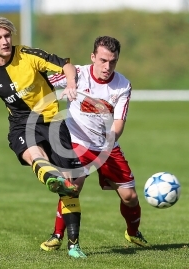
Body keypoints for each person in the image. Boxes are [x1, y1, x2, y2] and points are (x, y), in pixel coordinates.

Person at [0, 16, 87, 258]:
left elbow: (66, 65)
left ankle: (74, 245)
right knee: (35, 154)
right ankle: (50, 176)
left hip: (53, 122)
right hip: (22, 125)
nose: (4, 41)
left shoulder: (29, 55)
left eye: (7, 36)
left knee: (72, 187)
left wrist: (71, 83)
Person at [40, 36, 148, 252]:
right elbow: (42, 84)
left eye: (113, 61)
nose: (107, 66)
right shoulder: (78, 74)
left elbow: (119, 123)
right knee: (71, 189)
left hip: (106, 147)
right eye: (103, 60)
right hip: (77, 143)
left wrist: (109, 141)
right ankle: (57, 235)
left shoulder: (122, 85)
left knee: (130, 197)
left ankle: (133, 232)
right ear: (93, 57)